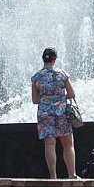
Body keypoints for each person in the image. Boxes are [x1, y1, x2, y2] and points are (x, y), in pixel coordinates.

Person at [31, 47, 78, 179]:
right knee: (68, 144)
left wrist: (47, 100)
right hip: (61, 112)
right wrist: (59, 98)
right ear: (55, 59)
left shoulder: (37, 77)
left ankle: (53, 176)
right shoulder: (62, 74)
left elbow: (35, 100)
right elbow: (72, 94)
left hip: (45, 114)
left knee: (50, 144)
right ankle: (72, 174)